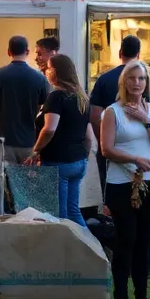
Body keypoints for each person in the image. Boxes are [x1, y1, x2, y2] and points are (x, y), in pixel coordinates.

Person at [99, 60, 150, 299]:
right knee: (126, 238)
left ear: (147, 83)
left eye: (141, 79)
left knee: (144, 238)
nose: (137, 83)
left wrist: (144, 120)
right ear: (124, 82)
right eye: (132, 78)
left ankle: (142, 296)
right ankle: (121, 296)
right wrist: (134, 159)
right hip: (122, 182)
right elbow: (106, 149)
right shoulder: (112, 111)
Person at [27, 54, 94, 226]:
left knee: (60, 215)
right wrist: (83, 156)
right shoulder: (82, 98)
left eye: (49, 68)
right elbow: (88, 137)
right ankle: (88, 248)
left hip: (58, 162)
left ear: (57, 72)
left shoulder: (56, 97)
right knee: (74, 211)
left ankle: (65, 250)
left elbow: (49, 128)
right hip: (78, 161)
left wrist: (36, 150)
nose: (46, 71)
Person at [90, 35, 150, 193]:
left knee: (112, 193)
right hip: (143, 151)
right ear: (139, 54)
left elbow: (94, 115)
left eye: (139, 79)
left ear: (120, 53)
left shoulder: (104, 79)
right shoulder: (149, 81)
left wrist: (106, 138)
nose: (136, 83)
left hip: (114, 149)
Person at [0, 36, 49, 169]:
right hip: (29, 142)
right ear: (27, 52)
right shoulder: (39, 78)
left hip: (1, 142)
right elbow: (43, 112)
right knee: (25, 186)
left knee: (2, 185)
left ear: (8, 52)